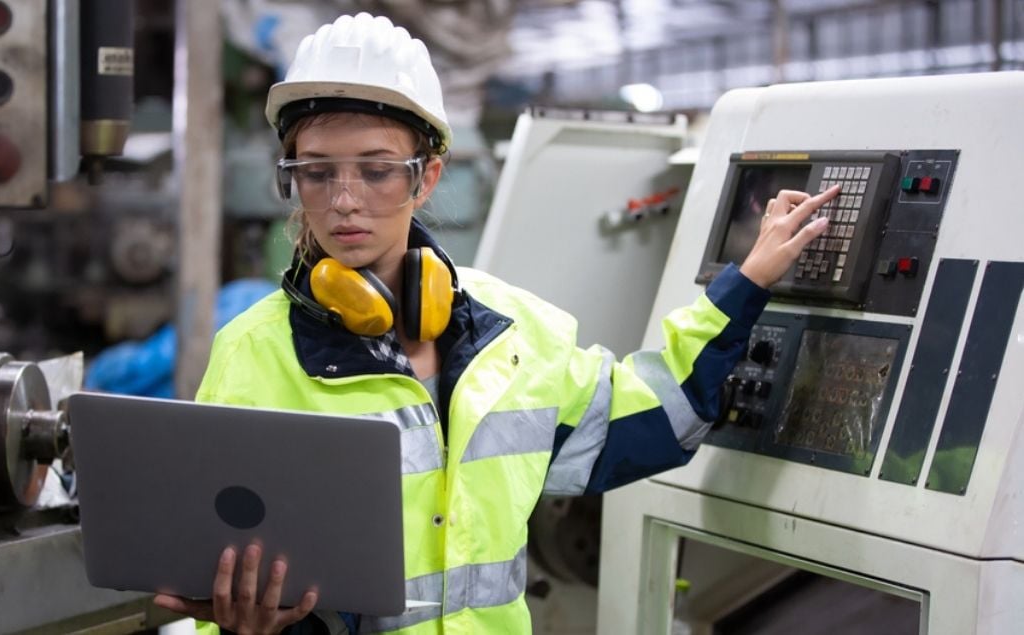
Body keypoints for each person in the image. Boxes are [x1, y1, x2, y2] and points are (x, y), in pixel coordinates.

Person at [153, 12, 837, 635]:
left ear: (426, 177)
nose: (344, 200)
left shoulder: (513, 334)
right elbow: (222, 566)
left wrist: (745, 283)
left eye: (378, 170)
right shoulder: (253, 352)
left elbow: (661, 413)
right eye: (316, 171)